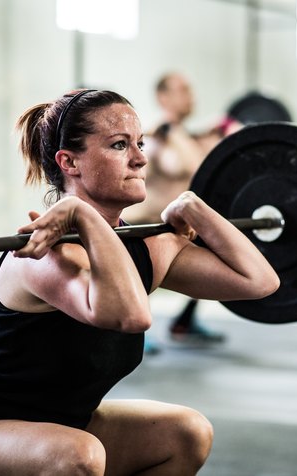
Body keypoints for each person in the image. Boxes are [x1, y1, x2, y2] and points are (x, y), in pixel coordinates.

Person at [0, 89, 279, 476]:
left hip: (60, 426)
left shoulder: (148, 245)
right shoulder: (45, 255)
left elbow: (258, 281)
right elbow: (130, 316)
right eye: (119, 145)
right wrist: (82, 215)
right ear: (69, 162)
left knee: (186, 433)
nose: (140, 158)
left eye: (140, 143)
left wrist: (193, 206)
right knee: (79, 456)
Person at [124, 73, 241, 349]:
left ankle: (185, 321)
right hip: (139, 227)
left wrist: (224, 126)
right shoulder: (153, 136)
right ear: (163, 97)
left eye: (191, 89)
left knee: (214, 248)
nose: (191, 96)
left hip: (173, 228)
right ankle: (130, 332)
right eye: (183, 90)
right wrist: (174, 130)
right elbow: (197, 166)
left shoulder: (184, 134)